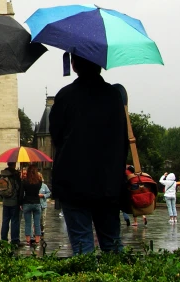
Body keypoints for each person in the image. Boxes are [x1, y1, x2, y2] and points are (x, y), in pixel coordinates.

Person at [49, 54, 128, 255]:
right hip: (108, 184)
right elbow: (122, 139)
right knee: (112, 245)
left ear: (74, 65)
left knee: (83, 247)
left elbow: (56, 137)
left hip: (73, 182)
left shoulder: (66, 95)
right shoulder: (114, 96)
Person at [0, 162, 22, 245]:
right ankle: (15, 240)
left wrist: (3, 198)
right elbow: (19, 188)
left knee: (5, 220)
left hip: (5, 202)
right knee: (15, 221)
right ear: (14, 165)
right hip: (14, 202)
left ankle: (3, 239)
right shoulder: (15, 175)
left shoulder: (2, 175)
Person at [21, 164, 43, 246]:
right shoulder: (39, 182)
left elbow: (21, 193)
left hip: (27, 202)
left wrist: (21, 203)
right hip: (36, 203)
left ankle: (28, 240)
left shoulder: (25, 181)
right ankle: (37, 240)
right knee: (37, 223)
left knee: (27, 223)